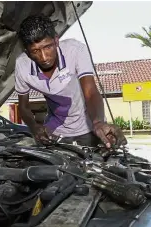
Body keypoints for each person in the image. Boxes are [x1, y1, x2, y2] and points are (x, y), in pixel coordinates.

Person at [15, 14, 127, 148]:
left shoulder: (75, 50)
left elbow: (90, 92)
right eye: (35, 51)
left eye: (48, 47)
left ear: (56, 41)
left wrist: (98, 123)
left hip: (89, 129)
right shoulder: (22, 65)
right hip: (54, 132)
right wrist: (33, 126)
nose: (44, 57)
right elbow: (23, 106)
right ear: (27, 52)